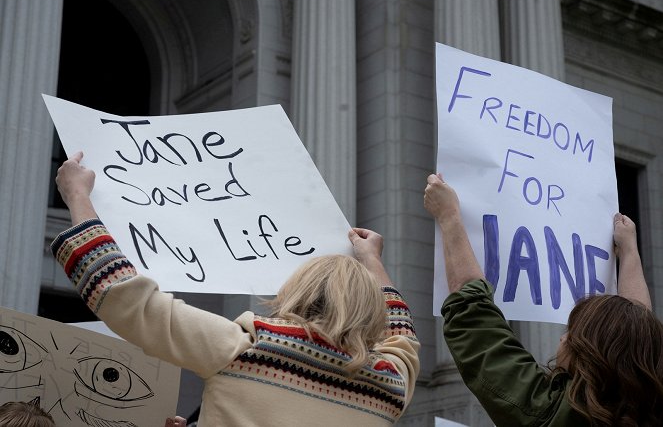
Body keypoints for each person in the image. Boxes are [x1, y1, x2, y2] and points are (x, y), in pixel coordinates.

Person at [51, 152, 419, 426]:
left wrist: (77, 196)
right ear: (371, 310)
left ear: (298, 292)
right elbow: (402, 337)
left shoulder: (245, 350)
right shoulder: (389, 387)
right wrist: (373, 261)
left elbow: (122, 296)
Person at [424, 173, 663, 426]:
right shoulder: (651, 407)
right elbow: (636, 334)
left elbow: (473, 316)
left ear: (592, 359)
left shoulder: (549, 414)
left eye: (573, 334)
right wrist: (629, 252)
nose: (562, 338)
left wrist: (448, 216)